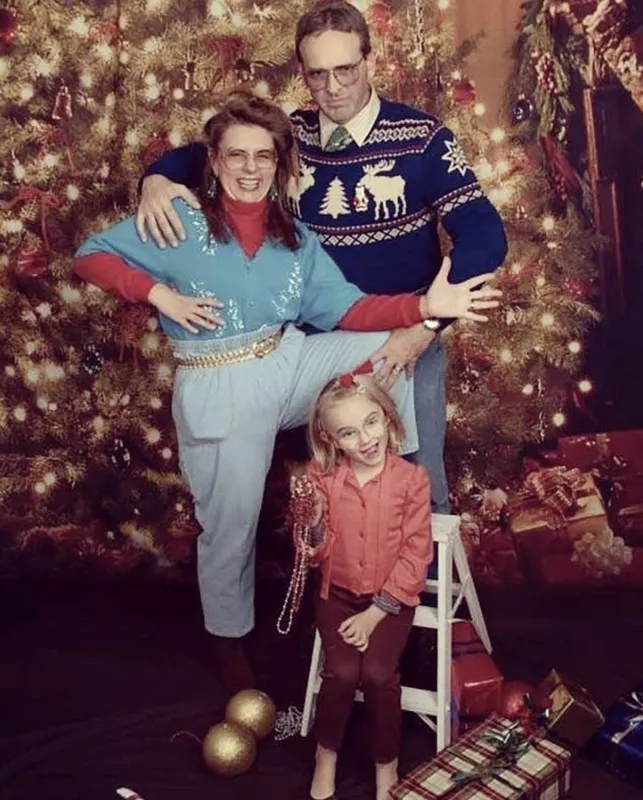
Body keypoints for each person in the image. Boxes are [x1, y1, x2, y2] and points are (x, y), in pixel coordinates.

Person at [73, 93, 501, 696]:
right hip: (219, 381)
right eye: (236, 156)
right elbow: (89, 255)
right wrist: (159, 296)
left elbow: (350, 308)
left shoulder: (294, 238)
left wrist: (427, 307)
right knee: (232, 521)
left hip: (286, 357)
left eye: (264, 157)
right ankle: (228, 639)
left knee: (383, 346)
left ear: (279, 164)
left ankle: (388, 490)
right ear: (215, 163)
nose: (250, 169)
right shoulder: (183, 222)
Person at [134, 0, 508, 515]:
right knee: (335, 495)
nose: (333, 88)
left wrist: (428, 326)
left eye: (345, 70)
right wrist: (156, 178)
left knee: (415, 483)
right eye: (317, 75)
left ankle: (423, 593)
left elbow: (485, 235)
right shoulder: (290, 136)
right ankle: (347, 595)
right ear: (304, 75)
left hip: (404, 341)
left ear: (370, 62)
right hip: (317, 350)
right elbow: (203, 153)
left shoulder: (423, 139)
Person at [292, 371, 432, 800]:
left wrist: (376, 614)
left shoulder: (412, 481)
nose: (365, 439)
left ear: (388, 417)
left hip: (388, 602)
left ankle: (385, 762)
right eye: (349, 433)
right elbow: (312, 553)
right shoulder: (322, 478)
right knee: (341, 672)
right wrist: (311, 520)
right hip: (336, 596)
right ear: (332, 439)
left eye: (372, 422)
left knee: (376, 674)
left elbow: (415, 554)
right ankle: (326, 754)